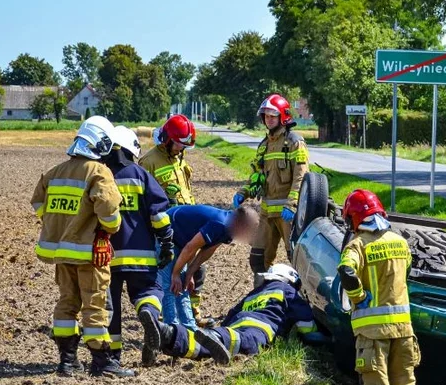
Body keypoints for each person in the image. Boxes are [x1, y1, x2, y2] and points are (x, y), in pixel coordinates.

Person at [31, 116, 128, 377]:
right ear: (103, 144)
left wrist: (56, 224)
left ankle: (67, 360)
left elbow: (38, 203)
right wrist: (108, 229)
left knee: (67, 303)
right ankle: (101, 361)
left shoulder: (56, 171)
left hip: (62, 253)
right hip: (90, 253)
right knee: (95, 305)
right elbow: (108, 211)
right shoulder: (98, 172)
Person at [338, 189, 423, 385]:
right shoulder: (400, 241)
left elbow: (346, 271)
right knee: (405, 380)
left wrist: (358, 296)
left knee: (378, 382)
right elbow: (406, 270)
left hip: (373, 331)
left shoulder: (358, 245)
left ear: (354, 218)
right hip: (404, 328)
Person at [103, 126, 176, 368]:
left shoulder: (99, 175)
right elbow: (158, 214)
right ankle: (149, 313)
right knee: (149, 290)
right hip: (141, 255)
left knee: (110, 308)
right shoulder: (140, 174)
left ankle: (112, 356)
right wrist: (166, 242)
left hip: (106, 257)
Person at [158, 264, 326, 363]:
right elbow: (306, 324)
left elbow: (232, 313)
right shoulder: (289, 291)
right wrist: (321, 337)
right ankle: (187, 338)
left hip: (237, 324)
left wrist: (222, 329)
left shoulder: (254, 293)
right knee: (244, 343)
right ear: (291, 280)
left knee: (215, 342)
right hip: (259, 331)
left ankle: (171, 337)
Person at [233, 95, 309, 272]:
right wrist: (243, 192)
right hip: (267, 214)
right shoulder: (264, 145)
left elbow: (301, 176)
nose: (268, 119)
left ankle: (300, 297)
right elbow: (255, 176)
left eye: (272, 116)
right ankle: (263, 295)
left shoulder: (294, 142)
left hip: (288, 214)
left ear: (283, 116)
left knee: (298, 260)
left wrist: (292, 204)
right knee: (258, 261)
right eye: (266, 116)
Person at [158, 202, 261, 332]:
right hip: (166, 233)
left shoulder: (230, 230)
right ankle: (171, 330)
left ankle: (189, 329)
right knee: (170, 285)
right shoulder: (220, 224)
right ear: (241, 223)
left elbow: (207, 250)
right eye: (251, 228)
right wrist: (175, 273)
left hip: (181, 240)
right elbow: (191, 247)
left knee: (182, 285)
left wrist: (189, 273)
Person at [139, 114, 196, 206]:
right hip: (166, 217)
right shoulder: (148, 162)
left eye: (184, 145)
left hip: (186, 213)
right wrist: (166, 200)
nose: (180, 148)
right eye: (178, 144)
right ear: (167, 139)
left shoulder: (178, 156)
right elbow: (143, 200)